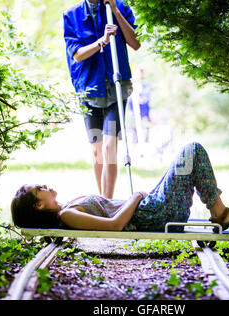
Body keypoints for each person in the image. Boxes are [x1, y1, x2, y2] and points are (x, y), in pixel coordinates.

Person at [11, 142, 229, 232]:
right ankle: (219, 213)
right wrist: (136, 196)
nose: (45, 186)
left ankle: (219, 212)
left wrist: (140, 197)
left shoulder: (67, 208)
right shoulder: (67, 215)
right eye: (38, 189)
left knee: (190, 155)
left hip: (150, 210)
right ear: (39, 204)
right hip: (153, 215)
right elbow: (115, 226)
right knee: (191, 151)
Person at [63, 0, 140, 199]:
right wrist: (102, 41)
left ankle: (106, 202)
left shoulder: (120, 7)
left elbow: (135, 43)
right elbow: (77, 55)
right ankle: (103, 203)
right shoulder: (72, 15)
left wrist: (115, 11)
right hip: (89, 90)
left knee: (110, 146)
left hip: (117, 88)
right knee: (98, 152)